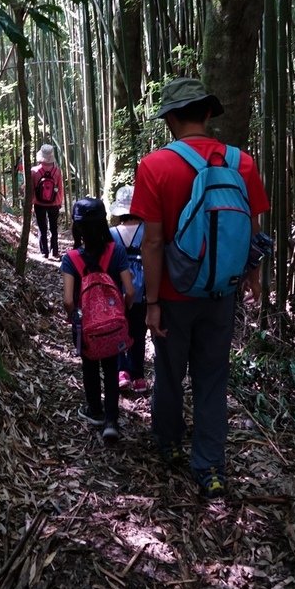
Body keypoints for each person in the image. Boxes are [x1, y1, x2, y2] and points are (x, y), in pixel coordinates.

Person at [130, 78, 270, 499]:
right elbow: (252, 228)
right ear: (208, 114)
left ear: (171, 118)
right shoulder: (241, 163)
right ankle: (210, 467)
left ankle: (170, 442)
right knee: (212, 378)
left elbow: (152, 242)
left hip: (174, 294)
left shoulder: (154, 166)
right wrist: (250, 277)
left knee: (170, 373)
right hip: (220, 294)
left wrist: (151, 302)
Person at [61, 197, 134, 444]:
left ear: (77, 227)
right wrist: (120, 313)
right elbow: (131, 291)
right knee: (112, 368)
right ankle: (112, 420)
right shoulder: (117, 251)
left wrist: (73, 317)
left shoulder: (71, 258)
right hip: (113, 325)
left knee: (89, 365)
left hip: (86, 327)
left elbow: (69, 300)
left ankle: (95, 410)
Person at [109, 185, 148, 394]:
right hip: (142, 291)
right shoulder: (147, 231)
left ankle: (121, 370)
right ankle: (138, 375)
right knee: (139, 332)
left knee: (118, 330)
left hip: (117, 289)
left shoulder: (111, 233)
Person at [31, 144, 64, 259]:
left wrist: (31, 202)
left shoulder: (34, 171)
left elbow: (31, 189)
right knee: (53, 228)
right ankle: (54, 252)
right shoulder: (57, 171)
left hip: (39, 203)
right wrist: (60, 202)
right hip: (54, 203)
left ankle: (44, 252)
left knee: (42, 227)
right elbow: (60, 189)